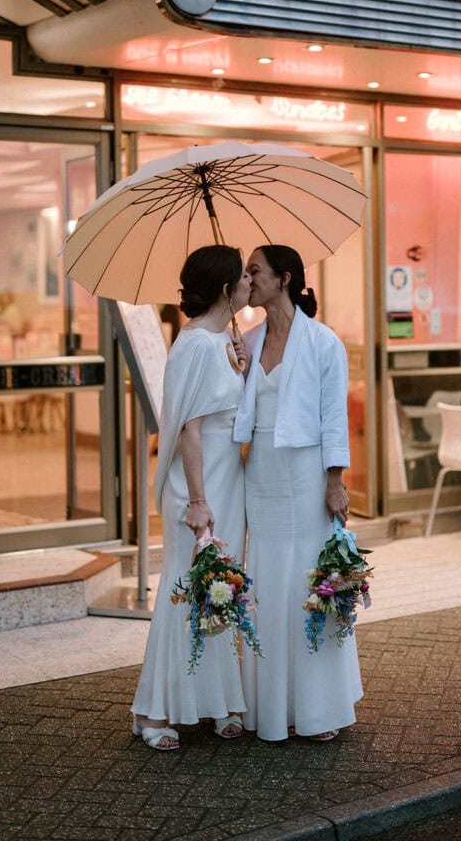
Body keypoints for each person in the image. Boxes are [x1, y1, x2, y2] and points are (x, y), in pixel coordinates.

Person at [234, 244, 363, 742]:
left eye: (255, 272)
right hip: (261, 471)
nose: (249, 281)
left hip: (308, 471)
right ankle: (270, 707)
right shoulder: (247, 338)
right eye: (246, 273)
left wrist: (335, 481)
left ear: (284, 278)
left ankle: (317, 707)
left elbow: (335, 416)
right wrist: (237, 369)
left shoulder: (323, 342)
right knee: (268, 581)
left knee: (309, 582)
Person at [130, 245, 251, 751]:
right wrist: (198, 501)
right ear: (226, 290)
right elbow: (190, 430)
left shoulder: (220, 341)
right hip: (201, 486)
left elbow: (224, 410)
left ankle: (216, 702)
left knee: (217, 592)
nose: (249, 283)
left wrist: (240, 369)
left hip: (228, 480)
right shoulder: (197, 345)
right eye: (243, 277)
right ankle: (153, 711)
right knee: (185, 593)